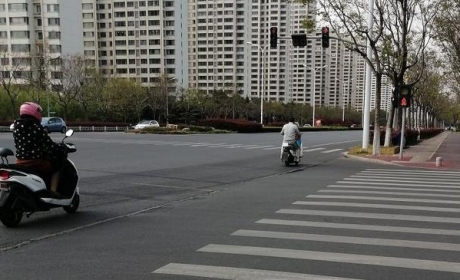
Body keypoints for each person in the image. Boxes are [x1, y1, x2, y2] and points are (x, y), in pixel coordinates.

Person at [12, 102, 66, 197]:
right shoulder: (36, 127)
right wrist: (61, 148)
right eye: (39, 112)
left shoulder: (16, 127)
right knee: (56, 167)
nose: (40, 115)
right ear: (33, 112)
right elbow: (49, 144)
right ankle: (53, 191)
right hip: (35, 161)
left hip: (20, 161)